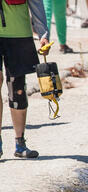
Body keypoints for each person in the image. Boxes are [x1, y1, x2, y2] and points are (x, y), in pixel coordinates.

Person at [0, 0, 50, 160]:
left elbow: (36, 2)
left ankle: (20, 143)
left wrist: (43, 34)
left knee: (18, 89)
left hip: (19, 34)